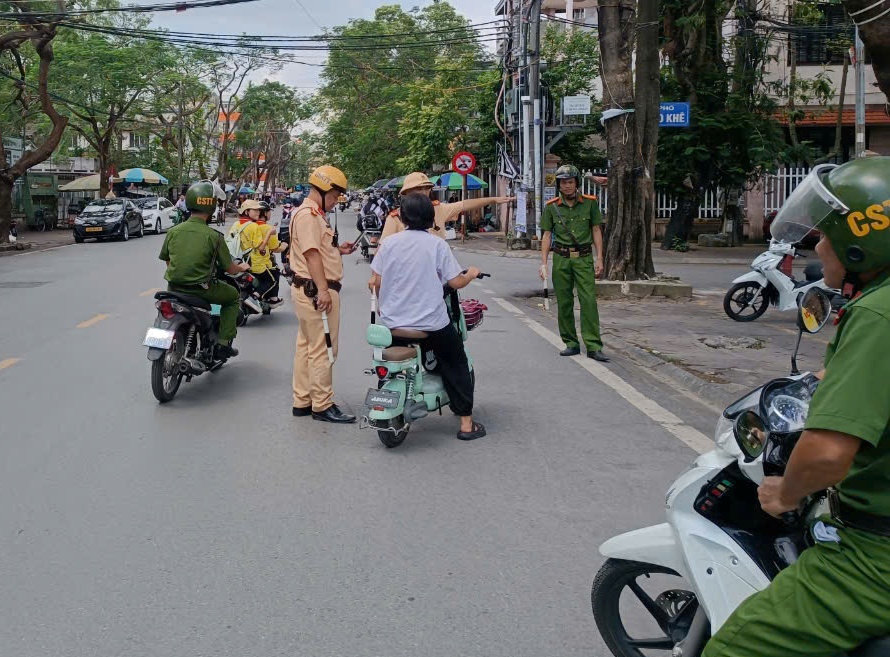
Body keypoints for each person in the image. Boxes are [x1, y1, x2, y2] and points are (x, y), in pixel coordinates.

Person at [702, 157, 890, 657]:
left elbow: (827, 455)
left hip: (875, 554)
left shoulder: (877, 313)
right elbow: (854, 376)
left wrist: (785, 492)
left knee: (733, 650)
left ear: (861, 242)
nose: (818, 246)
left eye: (826, 235)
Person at [368, 194, 486, 441]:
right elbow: (455, 281)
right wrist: (472, 274)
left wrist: (383, 305)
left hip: (393, 324)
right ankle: (466, 424)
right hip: (430, 325)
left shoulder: (388, 244)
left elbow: (376, 280)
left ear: (402, 217)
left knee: (390, 367)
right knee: (456, 363)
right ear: (431, 219)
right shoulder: (436, 245)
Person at [289, 165, 356, 424]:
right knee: (324, 348)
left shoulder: (313, 214)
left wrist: (338, 250)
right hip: (315, 291)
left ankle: (303, 400)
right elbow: (311, 254)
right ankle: (322, 405)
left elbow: (319, 249)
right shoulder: (308, 215)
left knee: (306, 347)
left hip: (306, 290)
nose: (337, 201)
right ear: (325, 189)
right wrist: (323, 291)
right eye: (336, 195)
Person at [159, 181, 249, 359]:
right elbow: (230, 269)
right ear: (212, 207)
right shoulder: (214, 236)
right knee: (231, 298)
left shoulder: (173, 231)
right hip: (201, 290)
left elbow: (168, 260)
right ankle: (224, 344)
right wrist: (243, 266)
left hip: (174, 289)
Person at [539, 164, 609, 362]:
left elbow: (596, 230)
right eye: (563, 183)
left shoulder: (590, 203)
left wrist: (600, 258)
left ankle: (594, 345)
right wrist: (543, 263)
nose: (567, 186)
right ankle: (571, 342)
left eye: (570, 182)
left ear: (577, 183)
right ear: (559, 185)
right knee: (564, 301)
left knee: (588, 301)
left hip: (584, 258)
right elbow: (546, 235)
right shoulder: (552, 206)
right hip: (561, 259)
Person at [380, 172, 514, 241]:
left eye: (426, 188)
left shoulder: (438, 209)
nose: (423, 192)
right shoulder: (395, 218)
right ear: (406, 193)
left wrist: (494, 199)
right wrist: (376, 277)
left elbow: (464, 205)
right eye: (418, 189)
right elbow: (382, 250)